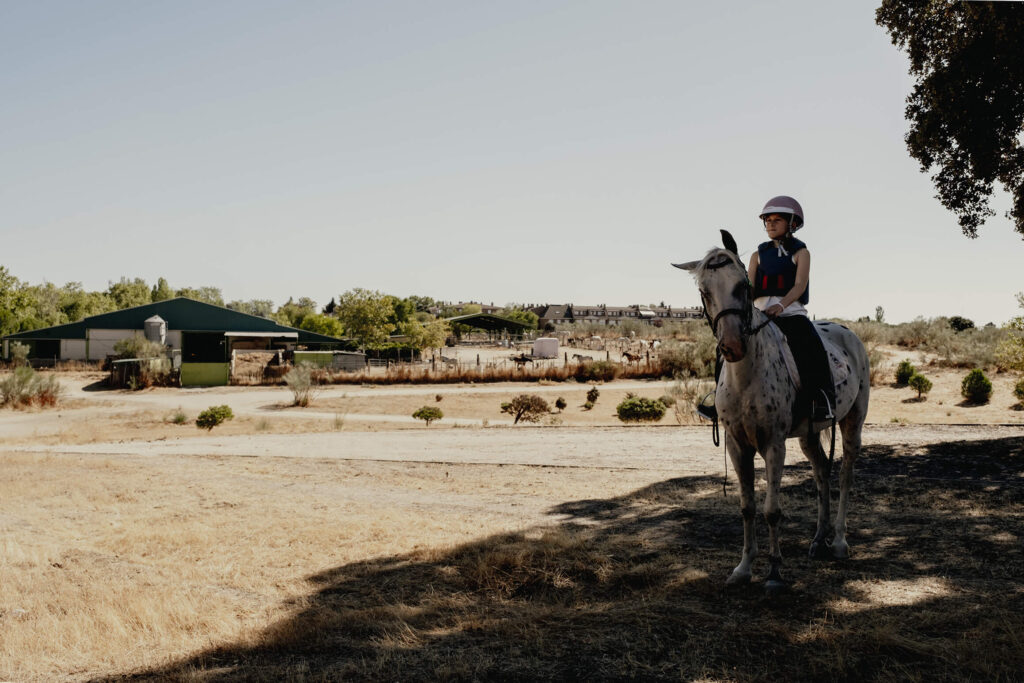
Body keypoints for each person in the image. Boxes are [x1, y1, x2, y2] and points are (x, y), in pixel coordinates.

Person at [696, 195, 835, 424]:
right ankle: (718, 399)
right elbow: (751, 287)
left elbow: (800, 285)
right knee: (724, 348)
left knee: (811, 345)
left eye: (777, 220)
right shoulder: (757, 255)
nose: (770, 224)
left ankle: (821, 398)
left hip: (791, 313)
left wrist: (781, 305)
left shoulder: (801, 253)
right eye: (767, 220)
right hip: (760, 314)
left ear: (792, 223)